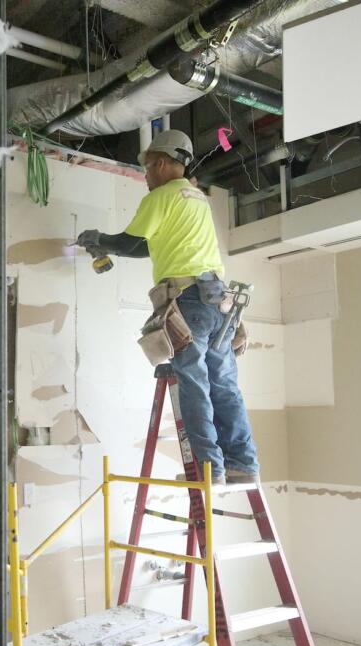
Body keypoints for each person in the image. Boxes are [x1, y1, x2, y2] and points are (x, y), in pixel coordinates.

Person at [77, 129, 259, 485]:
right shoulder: (197, 198)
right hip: (219, 303)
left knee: (193, 383)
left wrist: (100, 240)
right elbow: (150, 246)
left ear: (160, 163)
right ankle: (242, 463)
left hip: (188, 301)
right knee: (223, 384)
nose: (145, 177)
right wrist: (110, 245)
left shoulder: (160, 196)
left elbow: (130, 243)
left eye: (146, 169)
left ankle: (210, 470)